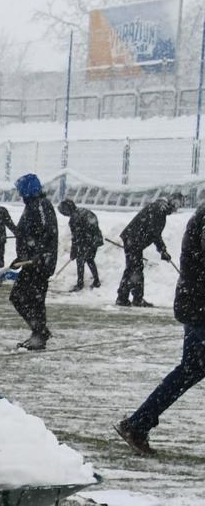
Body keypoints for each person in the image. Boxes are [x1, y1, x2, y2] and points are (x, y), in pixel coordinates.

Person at [117, 200, 205, 456]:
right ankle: (138, 424)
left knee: (190, 369)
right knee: (191, 368)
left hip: (195, 302)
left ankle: (138, 424)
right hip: (200, 305)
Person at [10, 173, 57, 351]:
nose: (20, 194)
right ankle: (39, 331)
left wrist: (39, 254)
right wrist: (21, 256)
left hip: (40, 263)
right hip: (30, 262)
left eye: (21, 191)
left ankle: (39, 334)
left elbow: (47, 231)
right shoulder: (31, 206)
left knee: (32, 298)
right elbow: (26, 233)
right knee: (21, 297)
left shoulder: (42, 205)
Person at [116, 192, 182, 307]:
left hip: (133, 239)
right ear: (172, 202)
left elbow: (154, 232)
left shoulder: (159, 207)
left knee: (133, 268)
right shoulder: (159, 209)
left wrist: (163, 250)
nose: (176, 209)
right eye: (177, 205)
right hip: (134, 240)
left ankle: (126, 297)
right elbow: (154, 233)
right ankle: (131, 298)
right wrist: (163, 250)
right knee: (134, 269)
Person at [61, 198, 103, 291]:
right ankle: (96, 281)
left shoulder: (74, 219)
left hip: (87, 241)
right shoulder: (84, 211)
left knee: (80, 261)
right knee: (90, 259)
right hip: (95, 239)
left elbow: (76, 238)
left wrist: (74, 252)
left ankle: (80, 284)